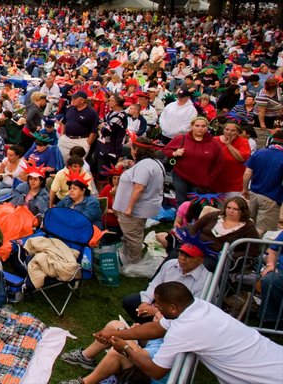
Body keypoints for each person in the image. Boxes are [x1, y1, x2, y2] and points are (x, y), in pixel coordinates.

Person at [88, 281, 283, 384]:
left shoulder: (184, 330)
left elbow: (156, 371)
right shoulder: (197, 306)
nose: (157, 309)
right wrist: (115, 334)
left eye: (159, 305)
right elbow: (157, 328)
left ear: (173, 307)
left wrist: (126, 350)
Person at [114, 136, 166, 265]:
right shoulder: (152, 162)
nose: (131, 150)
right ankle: (127, 257)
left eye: (132, 148)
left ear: (136, 150)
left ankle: (133, 262)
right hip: (141, 207)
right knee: (132, 234)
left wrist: (129, 208)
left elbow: (139, 188)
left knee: (133, 237)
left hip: (134, 209)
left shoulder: (145, 166)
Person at [188, 196, 259, 270]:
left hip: (220, 258)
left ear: (243, 211)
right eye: (228, 207)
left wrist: (230, 255)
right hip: (199, 248)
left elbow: (253, 251)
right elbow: (194, 229)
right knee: (179, 255)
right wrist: (193, 243)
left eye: (235, 209)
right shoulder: (214, 216)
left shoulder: (248, 227)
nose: (231, 211)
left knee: (205, 265)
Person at [163, 116, 222, 204]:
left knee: (195, 204)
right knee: (181, 200)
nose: (200, 128)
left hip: (200, 180)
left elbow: (218, 163)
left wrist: (210, 179)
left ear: (207, 127)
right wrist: (175, 153)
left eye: (203, 126)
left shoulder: (214, 144)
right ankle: (179, 217)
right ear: (192, 126)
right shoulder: (181, 138)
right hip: (181, 175)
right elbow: (166, 150)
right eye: (197, 126)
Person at [241, 128, 283, 235]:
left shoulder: (259, 152)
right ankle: (250, 249)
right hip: (271, 198)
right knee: (262, 229)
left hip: (253, 194)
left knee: (248, 224)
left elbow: (247, 174)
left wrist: (245, 189)